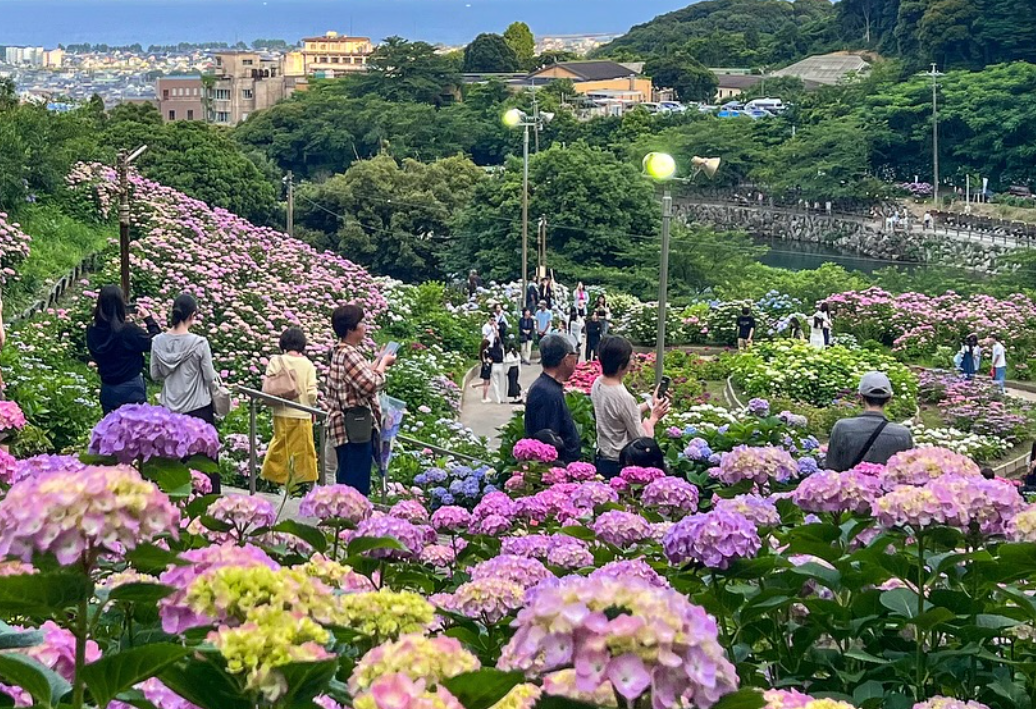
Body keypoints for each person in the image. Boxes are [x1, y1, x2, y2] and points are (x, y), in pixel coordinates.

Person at [151, 294, 220, 491]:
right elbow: (209, 376)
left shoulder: (157, 341)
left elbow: (155, 374)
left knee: (172, 461)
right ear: (192, 315)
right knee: (203, 462)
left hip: (170, 410)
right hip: (198, 410)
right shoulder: (199, 343)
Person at [326, 304, 395, 496]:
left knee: (348, 479)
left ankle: (343, 522)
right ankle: (350, 523)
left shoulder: (342, 351)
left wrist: (379, 360)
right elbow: (370, 384)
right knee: (355, 485)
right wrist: (383, 364)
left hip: (345, 428)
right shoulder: (349, 353)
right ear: (350, 329)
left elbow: (360, 376)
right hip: (354, 429)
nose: (365, 327)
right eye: (361, 323)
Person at [590, 336, 669, 478]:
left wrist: (651, 402)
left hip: (603, 456)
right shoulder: (623, 397)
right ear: (621, 365)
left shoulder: (598, 383)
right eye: (630, 357)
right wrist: (653, 418)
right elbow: (641, 439)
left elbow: (620, 413)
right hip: (620, 462)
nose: (633, 361)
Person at [86, 285, 162, 414]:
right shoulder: (127, 331)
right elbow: (157, 342)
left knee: (111, 431)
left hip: (108, 388)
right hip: (131, 386)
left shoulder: (92, 330)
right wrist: (148, 319)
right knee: (135, 429)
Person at [260, 327, 319, 488]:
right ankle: (300, 484)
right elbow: (312, 393)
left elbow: (270, 386)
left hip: (281, 413)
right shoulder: (307, 364)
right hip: (303, 414)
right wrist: (312, 407)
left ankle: (275, 479)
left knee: (280, 446)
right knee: (304, 452)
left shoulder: (276, 361)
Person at [826, 371, 914, 471]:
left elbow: (831, 471)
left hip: (850, 486)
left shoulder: (842, 428)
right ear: (889, 399)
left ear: (860, 397)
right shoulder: (903, 434)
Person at [524, 334, 581, 463]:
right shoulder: (546, 392)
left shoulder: (548, 387)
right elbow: (547, 443)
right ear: (566, 359)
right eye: (575, 356)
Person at [489, 334, 505, 404]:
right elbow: (503, 358)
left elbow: (490, 358)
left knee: (495, 383)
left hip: (494, 365)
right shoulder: (501, 349)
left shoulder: (491, 350)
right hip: (501, 365)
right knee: (502, 383)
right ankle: (502, 398)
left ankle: (498, 398)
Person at [478, 339, 493, 404]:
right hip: (486, 368)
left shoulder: (482, 351)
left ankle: (484, 397)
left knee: (485, 383)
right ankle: (484, 397)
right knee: (486, 384)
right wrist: (489, 361)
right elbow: (485, 360)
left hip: (484, 368)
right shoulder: (485, 352)